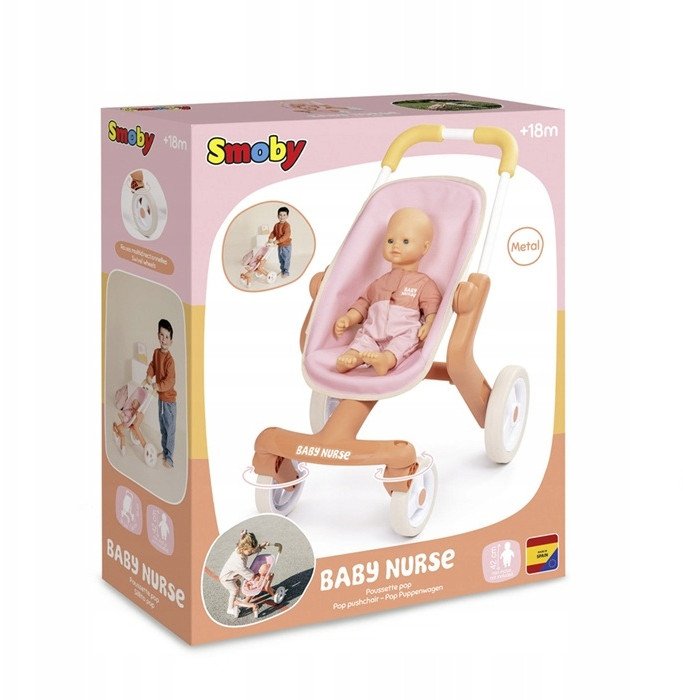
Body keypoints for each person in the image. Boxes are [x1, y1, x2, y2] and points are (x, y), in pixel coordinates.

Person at [334, 207, 442, 375]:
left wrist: (429, 324)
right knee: (363, 340)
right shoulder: (378, 283)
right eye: (390, 240)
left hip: (403, 332)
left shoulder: (424, 283)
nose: (396, 245)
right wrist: (348, 318)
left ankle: (386, 360)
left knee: (405, 341)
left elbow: (432, 306)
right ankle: (352, 357)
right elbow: (363, 304)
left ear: (425, 247)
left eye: (405, 241)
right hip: (373, 331)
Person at [145, 319, 177, 468]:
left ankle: (169, 458)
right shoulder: (156, 353)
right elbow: (153, 365)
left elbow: (170, 381)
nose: (164, 339)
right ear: (158, 335)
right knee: (163, 428)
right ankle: (164, 452)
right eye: (162, 335)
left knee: (170, 430)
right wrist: (149, 374)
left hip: (169, 401)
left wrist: (157, 385)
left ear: (171, 341)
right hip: (161, 400)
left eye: (167, 337)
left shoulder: (170, 361)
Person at [219, 531, 270, 617]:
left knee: (238, 585)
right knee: (234, 590)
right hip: (226, 579)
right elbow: (245, 572)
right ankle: (230, 608)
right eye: (250, 551)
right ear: (243, 548)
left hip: (232, 576)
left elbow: (251, 550)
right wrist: (255, 577)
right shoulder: (238, 562)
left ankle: (238, 598)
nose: (251, 552)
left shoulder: (240, 549)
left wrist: (260, 547)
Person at [268, 206, 292, 277]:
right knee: (281, 259)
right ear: (278, 216)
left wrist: (278, 240)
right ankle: (282, 270)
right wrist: (271, 238)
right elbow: (274, 232)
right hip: (280, 246)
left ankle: (286, 272)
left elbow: (286, 235)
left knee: (286, 259)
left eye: (284, 215)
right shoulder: (276, 225)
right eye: (280, 215)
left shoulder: (287, 225)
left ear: (287, 216)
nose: (282, 217)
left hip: (286, 246)